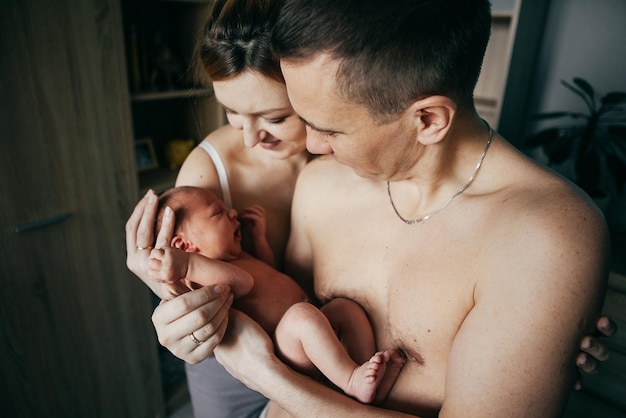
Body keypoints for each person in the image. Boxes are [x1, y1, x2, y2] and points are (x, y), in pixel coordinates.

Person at [125, 0, 616, 416]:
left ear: (426, 119)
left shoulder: (542, 238)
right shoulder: (319, 188)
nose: (310, 146)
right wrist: (181, 309)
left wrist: (265, 374)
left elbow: (281, 372)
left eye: (330, 129)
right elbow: (283, 313)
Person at [125, 1, 312, 416]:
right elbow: (180, 270)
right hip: (237, 375)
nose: (247, 137)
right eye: (231, 112)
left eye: (275, 117)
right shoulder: (210, 170)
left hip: (319, 359)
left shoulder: (344, 157)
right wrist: (170, 310)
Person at [149, 185, 405, 404]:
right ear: (184, 247)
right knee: (301, 316)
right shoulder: (200, 278)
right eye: (218, 213)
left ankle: (364, 373)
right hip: (289, 347)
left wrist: (259, 240)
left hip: (313, 326)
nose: (233, 212)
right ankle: (350, 381)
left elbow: (269, 273)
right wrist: (188, 265)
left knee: (344, 308)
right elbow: (243, 283)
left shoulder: (239, 257)